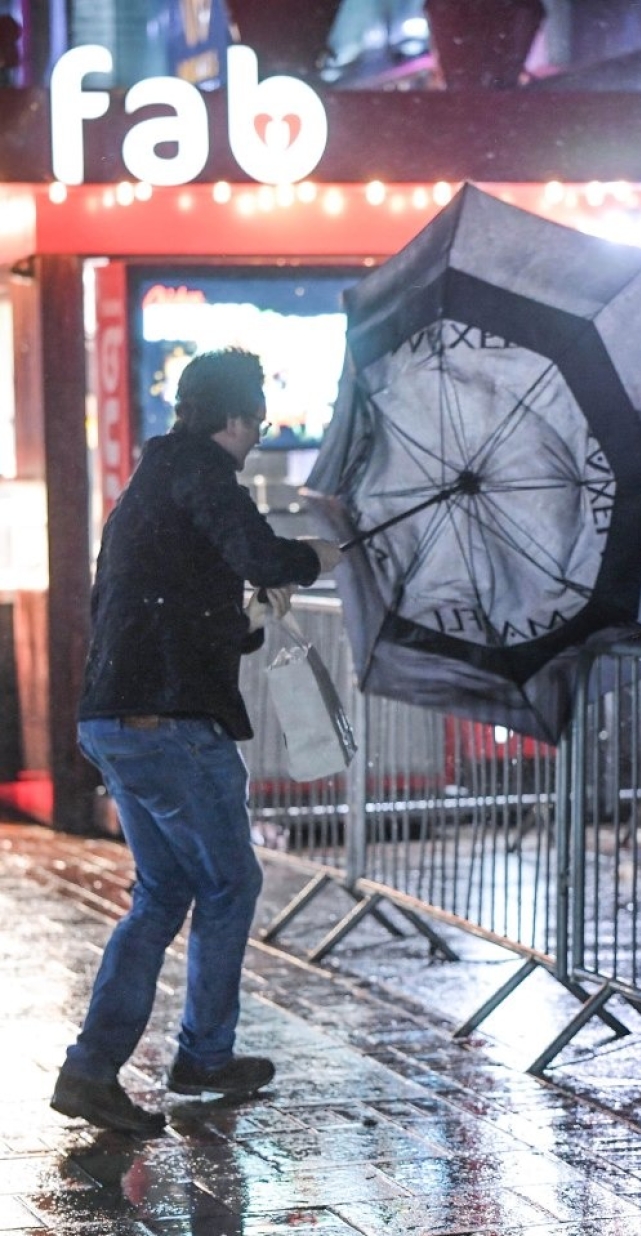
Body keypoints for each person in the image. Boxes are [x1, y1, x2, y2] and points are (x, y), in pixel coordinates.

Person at [50, 347, 341, 1137]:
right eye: (259, 423)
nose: (258, 437)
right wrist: (315, 557)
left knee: (163, 893)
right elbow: (260, 554)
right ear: (237, 419)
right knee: (229, 884)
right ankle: (201, 1057)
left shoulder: (150, 484)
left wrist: (243, 620)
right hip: (169, 725)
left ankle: (92, 1071)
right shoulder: (204, 474)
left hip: (118, 718)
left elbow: (162, 605)